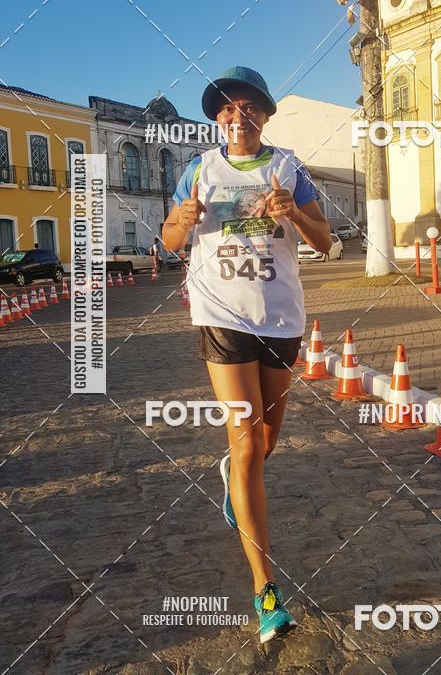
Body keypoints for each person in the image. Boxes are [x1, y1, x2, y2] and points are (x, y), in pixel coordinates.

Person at [162, 66, 332, 643]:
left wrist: (294, 213)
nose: (238, 116)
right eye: (227, 108)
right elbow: (168, 239)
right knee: (246, 441)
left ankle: (235, 478)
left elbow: (325, 242)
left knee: (263, 445)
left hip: (281, 319)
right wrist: (180, 223)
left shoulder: (289, 168)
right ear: (217, 118)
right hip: (221, 318)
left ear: (263, 114)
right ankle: (267, 593)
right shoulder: (198, 170)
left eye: (248, 107)